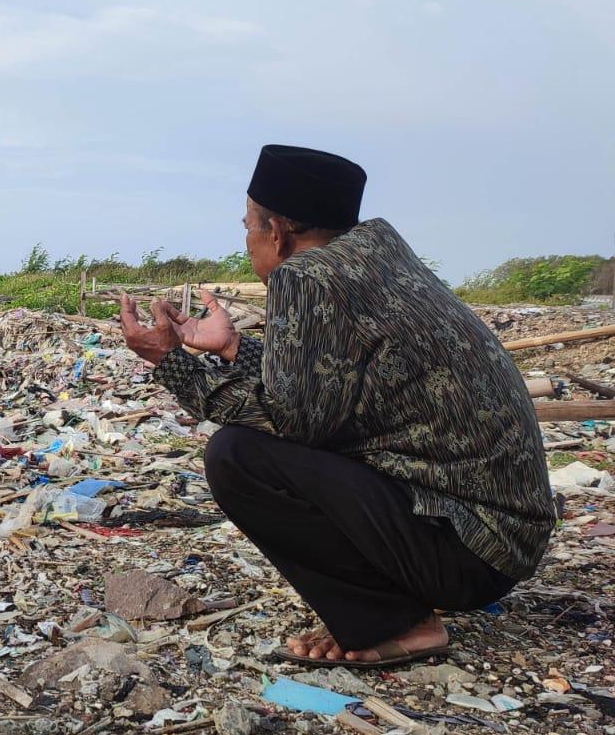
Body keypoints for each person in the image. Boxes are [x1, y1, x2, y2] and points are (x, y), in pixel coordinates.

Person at [118, 144, 555, 666]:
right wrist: (235, 348)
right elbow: (329, 385)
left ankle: (400, 621)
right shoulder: (373, 260)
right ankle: (390, 606)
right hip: (501, 540)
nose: (248, 238)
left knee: (236, 456)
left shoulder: (306, 278)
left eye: (248, 225)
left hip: (465, 550)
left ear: (276, 232)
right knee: (271, 445)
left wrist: (169, 361)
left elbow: (290, 420)